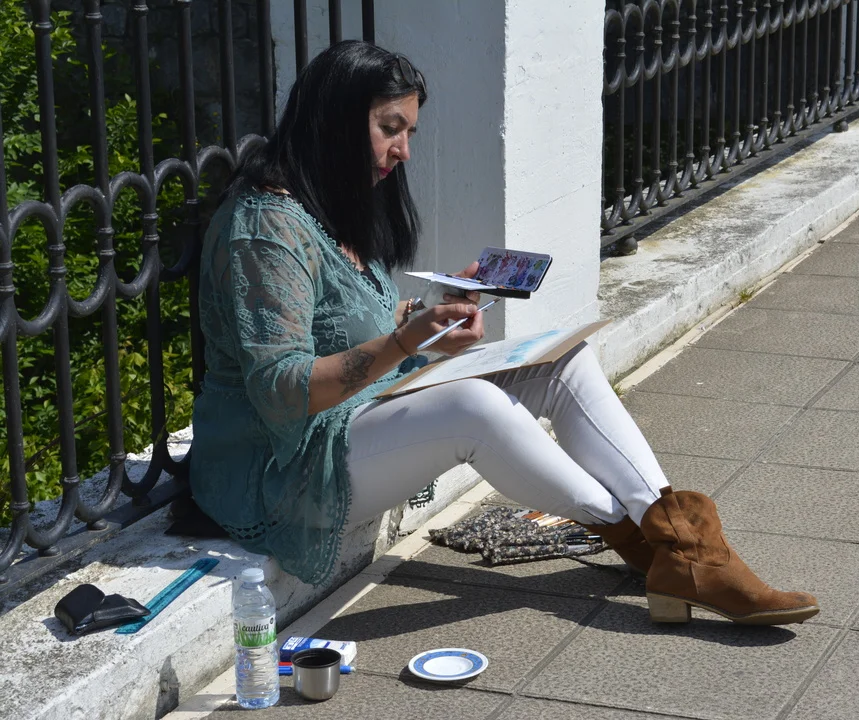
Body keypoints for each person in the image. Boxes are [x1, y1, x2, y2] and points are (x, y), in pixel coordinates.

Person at [189, 41, 819, 626]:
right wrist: (407, 343)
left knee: (563, 361)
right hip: (281, 466)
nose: (404, 150)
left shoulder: (328, 202)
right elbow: (282, 390)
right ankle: (670, 549)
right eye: (389, 128)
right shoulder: (265, 228)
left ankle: (677, 547)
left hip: (354, 418)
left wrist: (427, 324)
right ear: (333, 122)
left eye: (409, 131)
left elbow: (340, 325)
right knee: (475, 407)